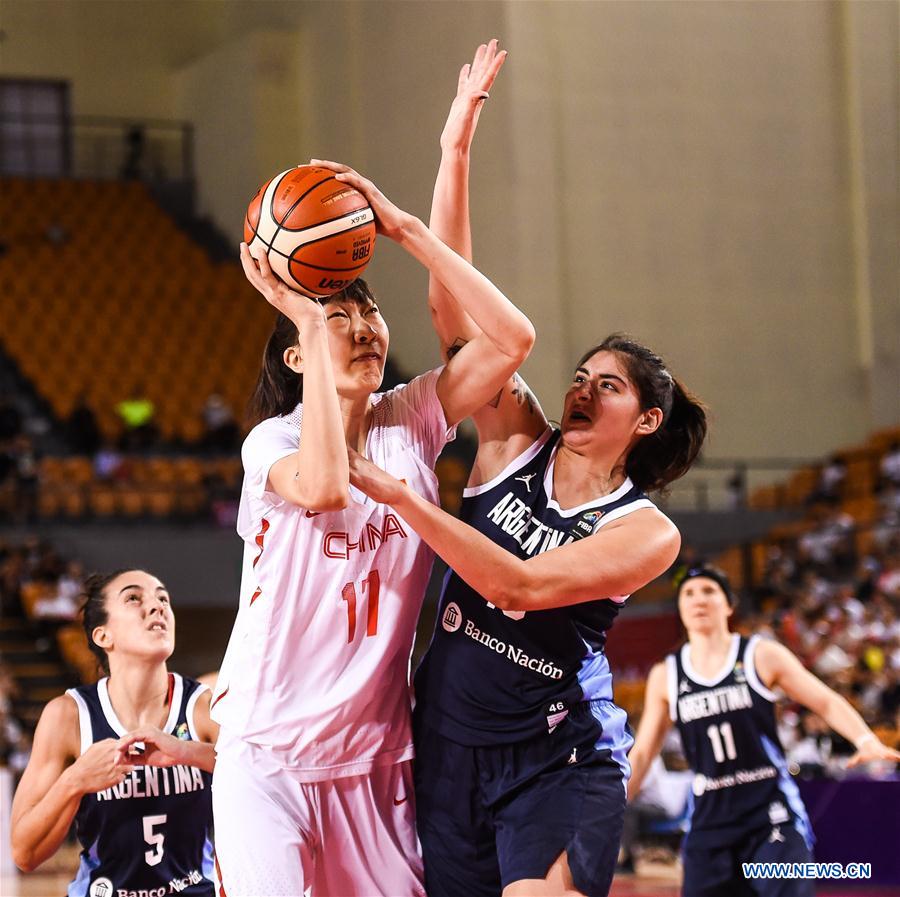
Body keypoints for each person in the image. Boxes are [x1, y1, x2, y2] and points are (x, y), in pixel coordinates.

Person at [344, 41, 708, 897]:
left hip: (558, 752)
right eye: (579, 376)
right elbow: (457, 322)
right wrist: (453, 153)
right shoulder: (515, 441)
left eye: (606, 386)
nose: (581, 388)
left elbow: (519, 587)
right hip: (449, 744)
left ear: (643, 421)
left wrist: (401, 495)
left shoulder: (645, 530)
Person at [208, 112, 535, 895]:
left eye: (369, 313)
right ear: (296, 349)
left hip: (377, 761)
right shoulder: (271, 446)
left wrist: (406, 229)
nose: (362, 328)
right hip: (268, 758)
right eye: (338, 315)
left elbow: (512, 339)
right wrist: (306, 316)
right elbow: (324, 486)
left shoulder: (412, 419)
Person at [626, 564, 900, 897]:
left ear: (728, 605)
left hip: (771, 816)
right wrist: (611, 807)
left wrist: (865, 738)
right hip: (710, 822)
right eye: (689, 593)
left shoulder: (760, 654)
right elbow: (642, 752)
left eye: (709, 591)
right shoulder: (666, 674)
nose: (698, 599)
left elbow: (825, 701)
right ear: (680, 608)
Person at [10, 569, 218, 896]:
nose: (157, 606)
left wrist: (186, 751)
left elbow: (266, 777)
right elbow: (25, 852)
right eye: (134, 598)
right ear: (103, 636)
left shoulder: (203, 706)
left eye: (163, 598)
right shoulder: (68, 716)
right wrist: (75, 779)